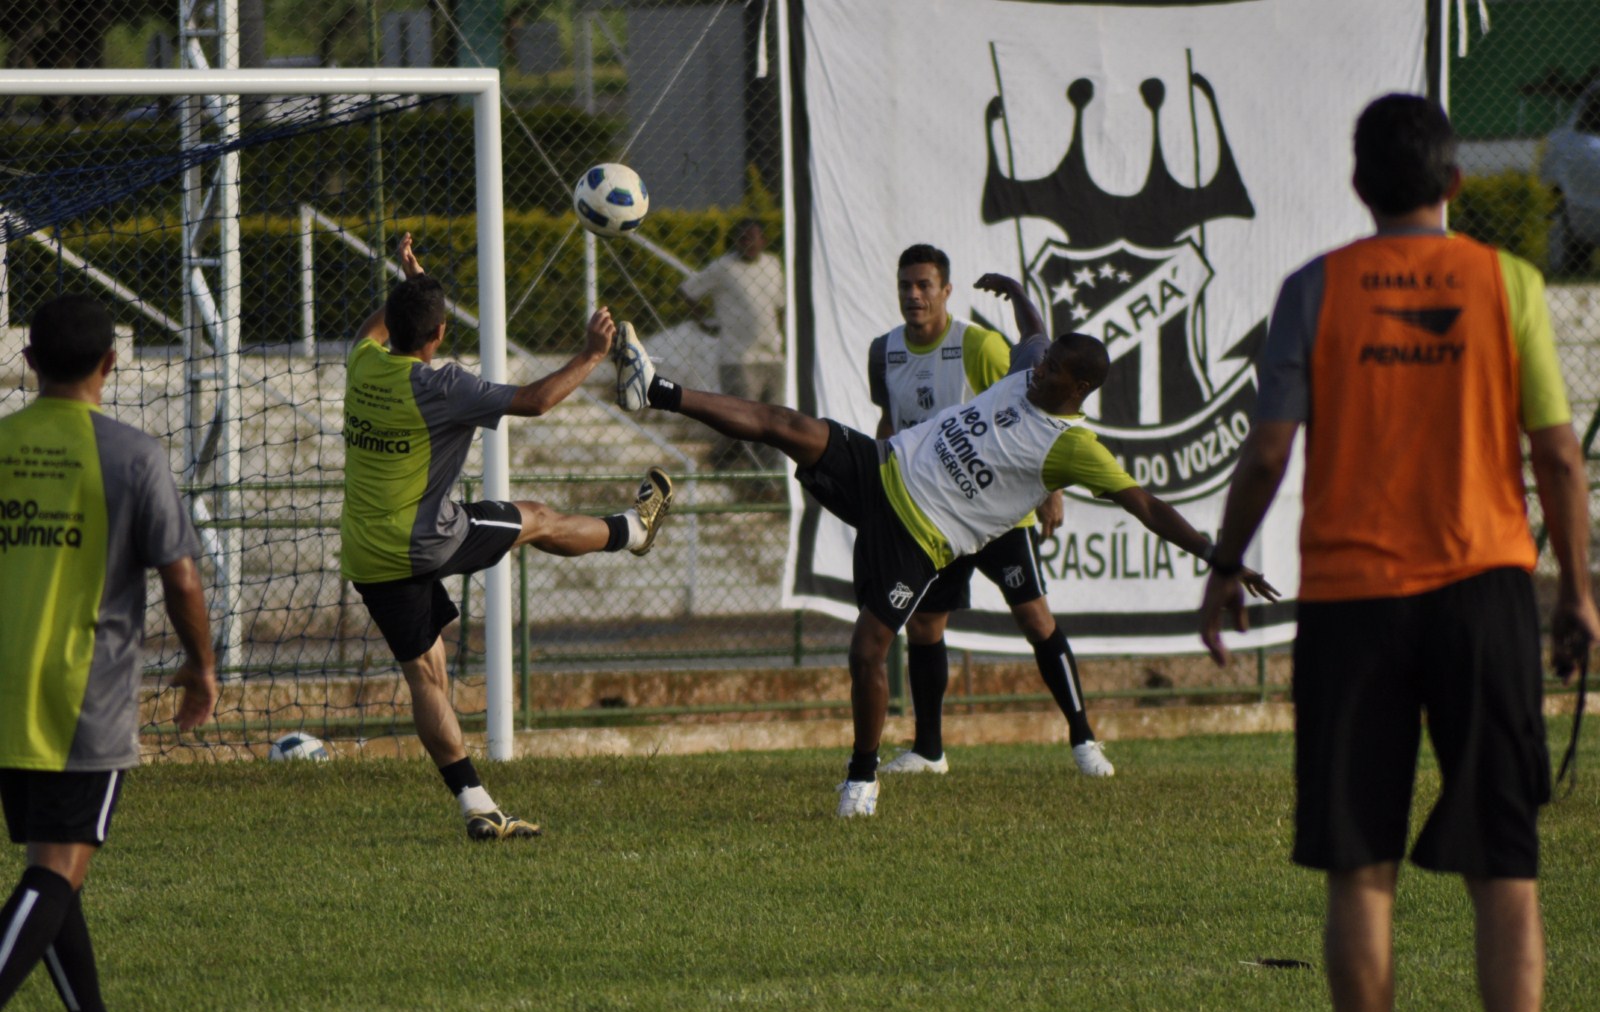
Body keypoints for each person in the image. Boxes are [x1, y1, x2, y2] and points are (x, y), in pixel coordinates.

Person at [1198, 94, 1598, 1012]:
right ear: (1453, 183)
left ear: (1357, 187)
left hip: (1351, 603)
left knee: (1357, 862)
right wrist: (1577, 591)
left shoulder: (1314, 288)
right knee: (1505, 860)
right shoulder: (1506, 282)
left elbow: (1265, 453)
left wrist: (1222, 565)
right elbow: (1554, 453)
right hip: (1484, 590)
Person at [608, 306, 1276, 817]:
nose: (1034, 371)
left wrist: (1221, 556)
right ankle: (657, 389)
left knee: (869, 649)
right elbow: (1035, 336)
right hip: (885, 466)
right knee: (786, 423)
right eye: (1039, 365)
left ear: (1078, 387)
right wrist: (1018, 297)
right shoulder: (1035, 369)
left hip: (919, 535)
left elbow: (1147, 505)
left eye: (1049, 373)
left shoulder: (1073, 445)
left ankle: (861, 776)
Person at [342, 233, 674, 841]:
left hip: (367, 552)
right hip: (427, 542)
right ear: (438, 335)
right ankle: (633, 530)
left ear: (392, 323)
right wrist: (592, 354)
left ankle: (476, 803)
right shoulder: (444, 387)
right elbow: (536, 400)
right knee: (538, 518)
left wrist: (408, 286)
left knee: (426, 674)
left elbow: (381, 329)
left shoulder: (361, 364)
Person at [0, 295, 218, 1012]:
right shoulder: (132, 455)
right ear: (111, 364)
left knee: (49, 869)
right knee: (58, 871)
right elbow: (182, 578)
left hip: (5, 696)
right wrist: (200, 665)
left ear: (28, 364)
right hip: (79, 697)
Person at [868, 245, 1114, 778]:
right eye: (906, 285)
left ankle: (1083, 739)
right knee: (927, 625)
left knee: (1035, 618)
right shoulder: (883, 351)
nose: (914, 295)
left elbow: (1031, 401)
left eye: (924, 285)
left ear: (945, 290)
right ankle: (929, 751)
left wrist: (1051, 487)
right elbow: (889, 423)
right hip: (932, 509)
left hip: (997, 512)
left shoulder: (975, 344)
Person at [679, 218, 786, 468]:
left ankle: (762, 474)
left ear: (764, 241)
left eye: (753, 237)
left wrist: (781, 335)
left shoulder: (772, 265)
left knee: (775, 422)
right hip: (738, 358)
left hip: (772, 356)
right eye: (743, 238)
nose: (748, 243)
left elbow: (780, 305)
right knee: (745, 421)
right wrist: (704, 321)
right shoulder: (723, 268)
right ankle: (747, 474)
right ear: (735, 242)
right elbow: (687, 291)